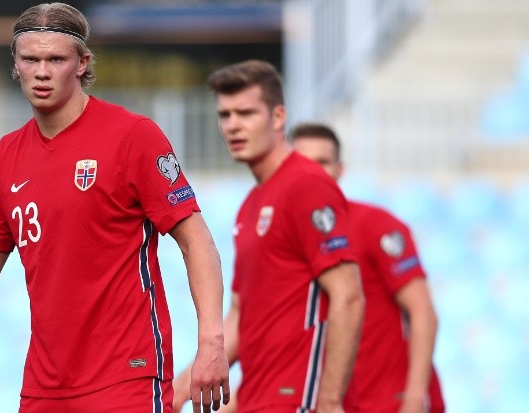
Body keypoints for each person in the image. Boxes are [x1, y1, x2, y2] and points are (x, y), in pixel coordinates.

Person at [0, 3, 230, 412]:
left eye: (55, 59)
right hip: (45, 388)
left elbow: (196, 240)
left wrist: (211, 342)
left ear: (81, 63)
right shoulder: (8, 154)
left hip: (126, 376)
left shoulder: (133, 136)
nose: (41, 71)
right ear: (16, 63)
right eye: (30, 59)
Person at [174, 60, 364, 413]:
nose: (233, 126)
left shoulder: (306, 184)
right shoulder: (251, 205)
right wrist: (176, 394)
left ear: (278, 118)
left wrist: (330, 400)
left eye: (246, 113)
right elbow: (240, 319)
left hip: (300, 398)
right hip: (259, 398)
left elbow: (348, 296)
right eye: (225, 114)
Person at [290, 123, 445, 413]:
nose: (313, 172)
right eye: (302, 163)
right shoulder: (284, 240)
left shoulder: (376, 225)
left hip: (390, 403)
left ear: (340, 169)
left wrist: (413, 399)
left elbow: (423, 313)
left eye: (323, 162)